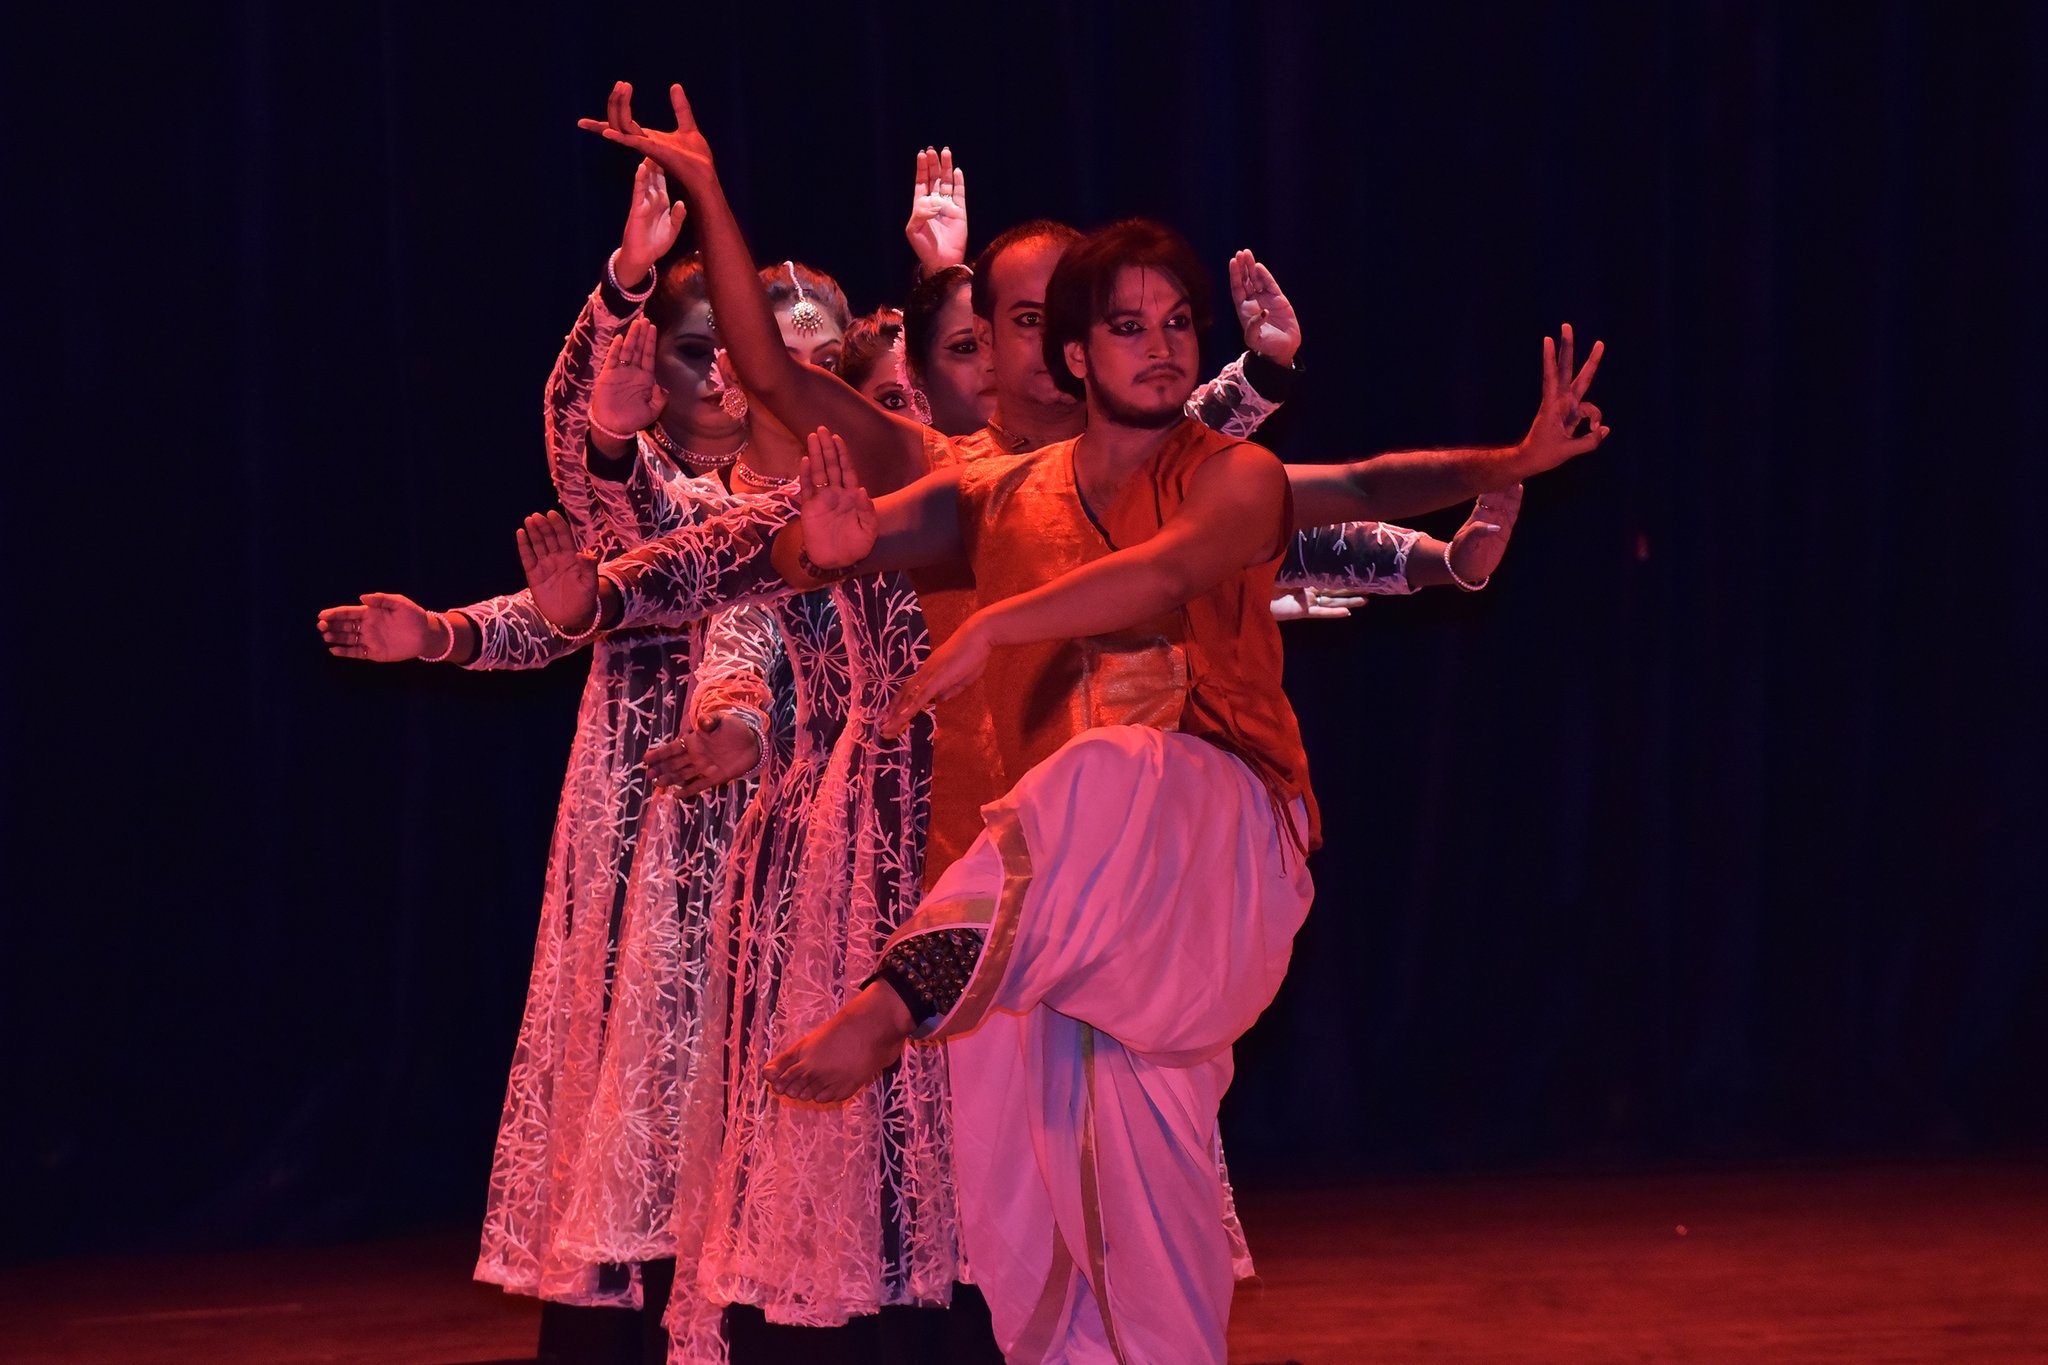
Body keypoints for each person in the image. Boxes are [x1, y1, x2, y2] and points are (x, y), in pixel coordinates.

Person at [749, 217, 1608, 1362]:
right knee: (1065, 1219)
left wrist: (1505, 463)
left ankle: (893, 1000)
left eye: (1176, 326)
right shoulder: (998, 496)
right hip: (1072, 913)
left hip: (1224, 852)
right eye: (1125, 327)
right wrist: (826, 548)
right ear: (1070, 358)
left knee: (1114, 767)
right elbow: (817, 548)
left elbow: (1276, 520)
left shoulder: (1231, 475)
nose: (1159, 347)